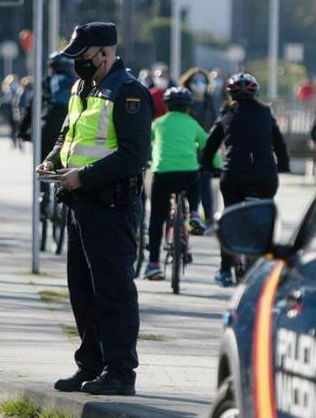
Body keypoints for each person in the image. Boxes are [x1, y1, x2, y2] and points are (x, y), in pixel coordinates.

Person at [38, 22, 152, 396]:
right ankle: (90, 365)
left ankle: (120, 371)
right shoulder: (82, 87)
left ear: (105, 53)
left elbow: (135, 156)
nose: (77, 64)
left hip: (112, 204)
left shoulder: (129, 92)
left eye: (83, 56)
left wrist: (83, 177)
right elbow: (67, 134)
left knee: (113, 291)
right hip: (81, 204)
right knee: (82, 290)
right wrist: (53, 160)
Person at [199, 73, 290, 288]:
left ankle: (224, 270)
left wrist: (207, 167)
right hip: (264, 176)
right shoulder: (266, 114)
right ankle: (263, 270)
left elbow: (210, 146)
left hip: (234, 176)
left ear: (230, 94)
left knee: (229, 220)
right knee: (264, 220)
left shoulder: (227, 114)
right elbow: (280, 146)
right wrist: (282, 167)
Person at [143, 87, 207, 281]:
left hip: (162, 173)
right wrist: (215, 166)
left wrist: (145, 160)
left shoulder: (158, 123)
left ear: (166, 105)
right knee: (195, 178)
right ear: (189, 107)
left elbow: (145, 142)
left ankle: (153, 264)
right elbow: (207, 145)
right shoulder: (193, 123)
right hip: (187, 172)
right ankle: (195, 213)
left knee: (156, 218)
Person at [179, 67, 218, 228]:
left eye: (202, 81)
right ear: (189, 83)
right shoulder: (184, 100)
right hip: (187, 148)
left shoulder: (210, 101)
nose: (199, 84)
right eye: (195, 81)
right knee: (188, 185)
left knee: (205, 185)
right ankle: (187, 215)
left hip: (205, 149)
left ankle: (208, 219)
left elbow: (216, 123)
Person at [0, 74, 20, 147]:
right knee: (16, 126)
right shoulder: (17, 86)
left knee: (12, 126)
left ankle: (14, 141)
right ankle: (17, 140)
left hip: (11, 108)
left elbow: (8, 99)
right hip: (16, 108)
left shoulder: (8, 88)